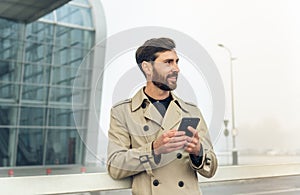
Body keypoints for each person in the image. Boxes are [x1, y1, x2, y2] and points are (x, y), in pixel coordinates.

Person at [107, 37, 217, 195]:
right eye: (168, 62)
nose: (176, 69)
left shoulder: (191, 111)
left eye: (177, 62)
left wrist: (198, 153)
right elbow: (115, 166)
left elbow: (211, 169)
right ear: (147, 68)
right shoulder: (122, 112)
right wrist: (153, 149)